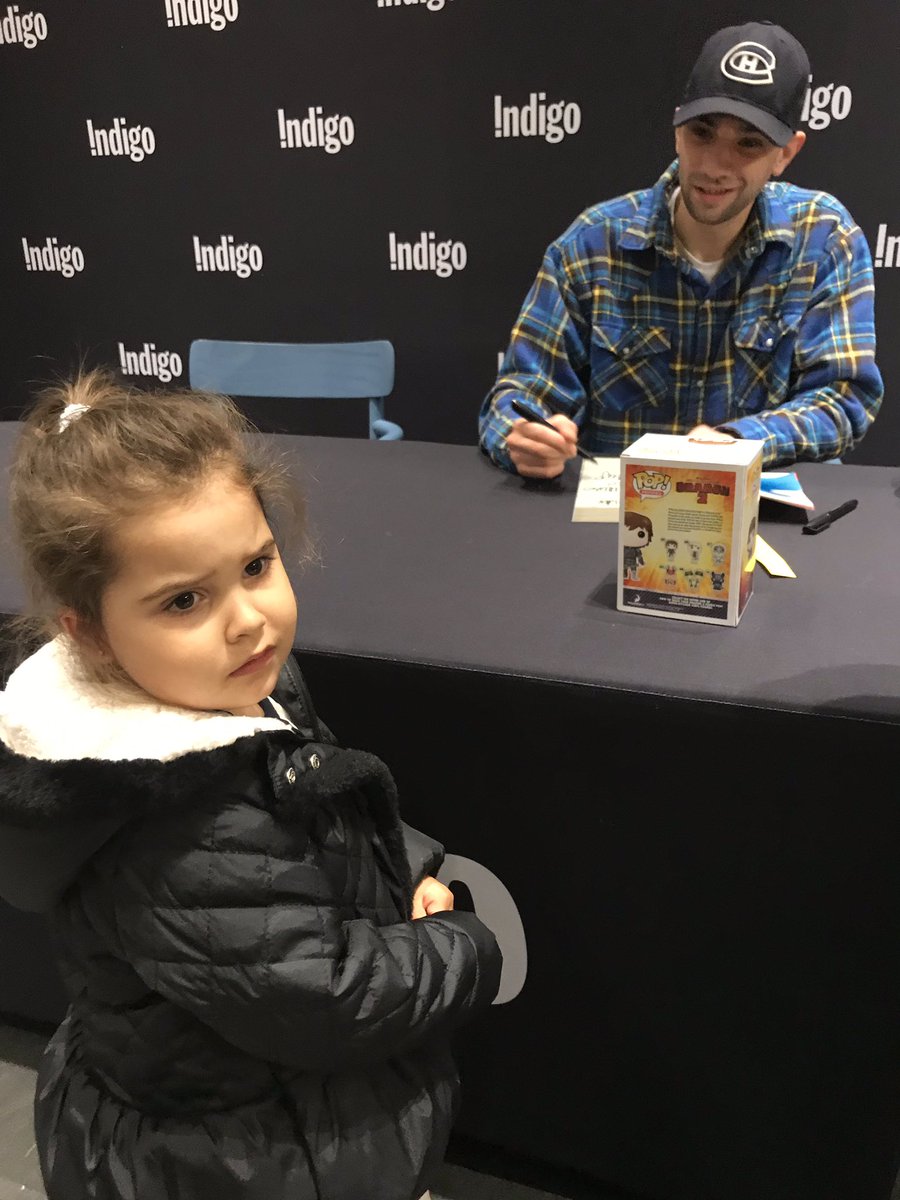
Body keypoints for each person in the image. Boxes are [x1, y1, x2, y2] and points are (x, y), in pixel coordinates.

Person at [0, 370, 502, 1200]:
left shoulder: (222, 684)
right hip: (238, 1157)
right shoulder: (173, 828)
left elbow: (311, 794)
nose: (248, 618)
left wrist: (399, 867)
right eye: (185, 599)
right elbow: (325, 1000)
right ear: (87, 632)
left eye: (257, 565)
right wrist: (467, 947)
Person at [479, 20, 883, 479]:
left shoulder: (825, 237)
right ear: (676, 131)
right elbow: (518, 397)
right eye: (701, 133)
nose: (714, 165)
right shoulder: (592, 243)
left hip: (764, 522)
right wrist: (526, 437)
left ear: (786, 154)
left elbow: (843, 398)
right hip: (615, 527)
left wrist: (739, 442)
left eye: (748, 143)